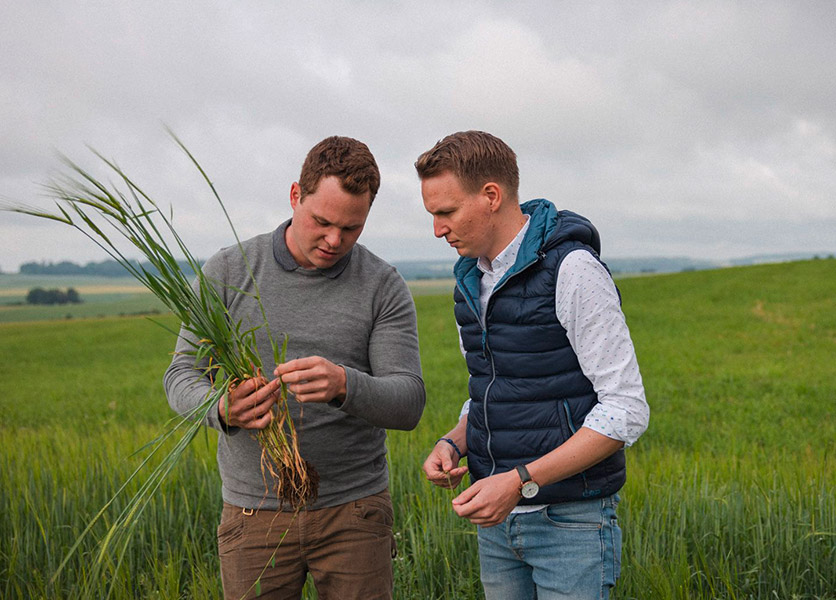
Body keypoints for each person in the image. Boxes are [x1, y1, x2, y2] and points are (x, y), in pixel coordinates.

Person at [164, 136, 426, 599]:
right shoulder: (227, 272)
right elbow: (181, 378)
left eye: (351, 228)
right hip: (253, 514)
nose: (333, 240)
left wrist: (345, 384)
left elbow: (407, 403)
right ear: (294, 196)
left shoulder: (383, 285)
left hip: (355, 513)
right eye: (321, 222)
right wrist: (224, 408)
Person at [417, 131, 649, 599]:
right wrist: (453, 441)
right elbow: (496, 388)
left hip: (571, 522)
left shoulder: (573, 270)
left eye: (446, 212)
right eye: (433, 216)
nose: (438, 229)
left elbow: (625, 409)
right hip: (496, 524)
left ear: (491, 196)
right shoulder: (469, 280)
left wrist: (520, 479)